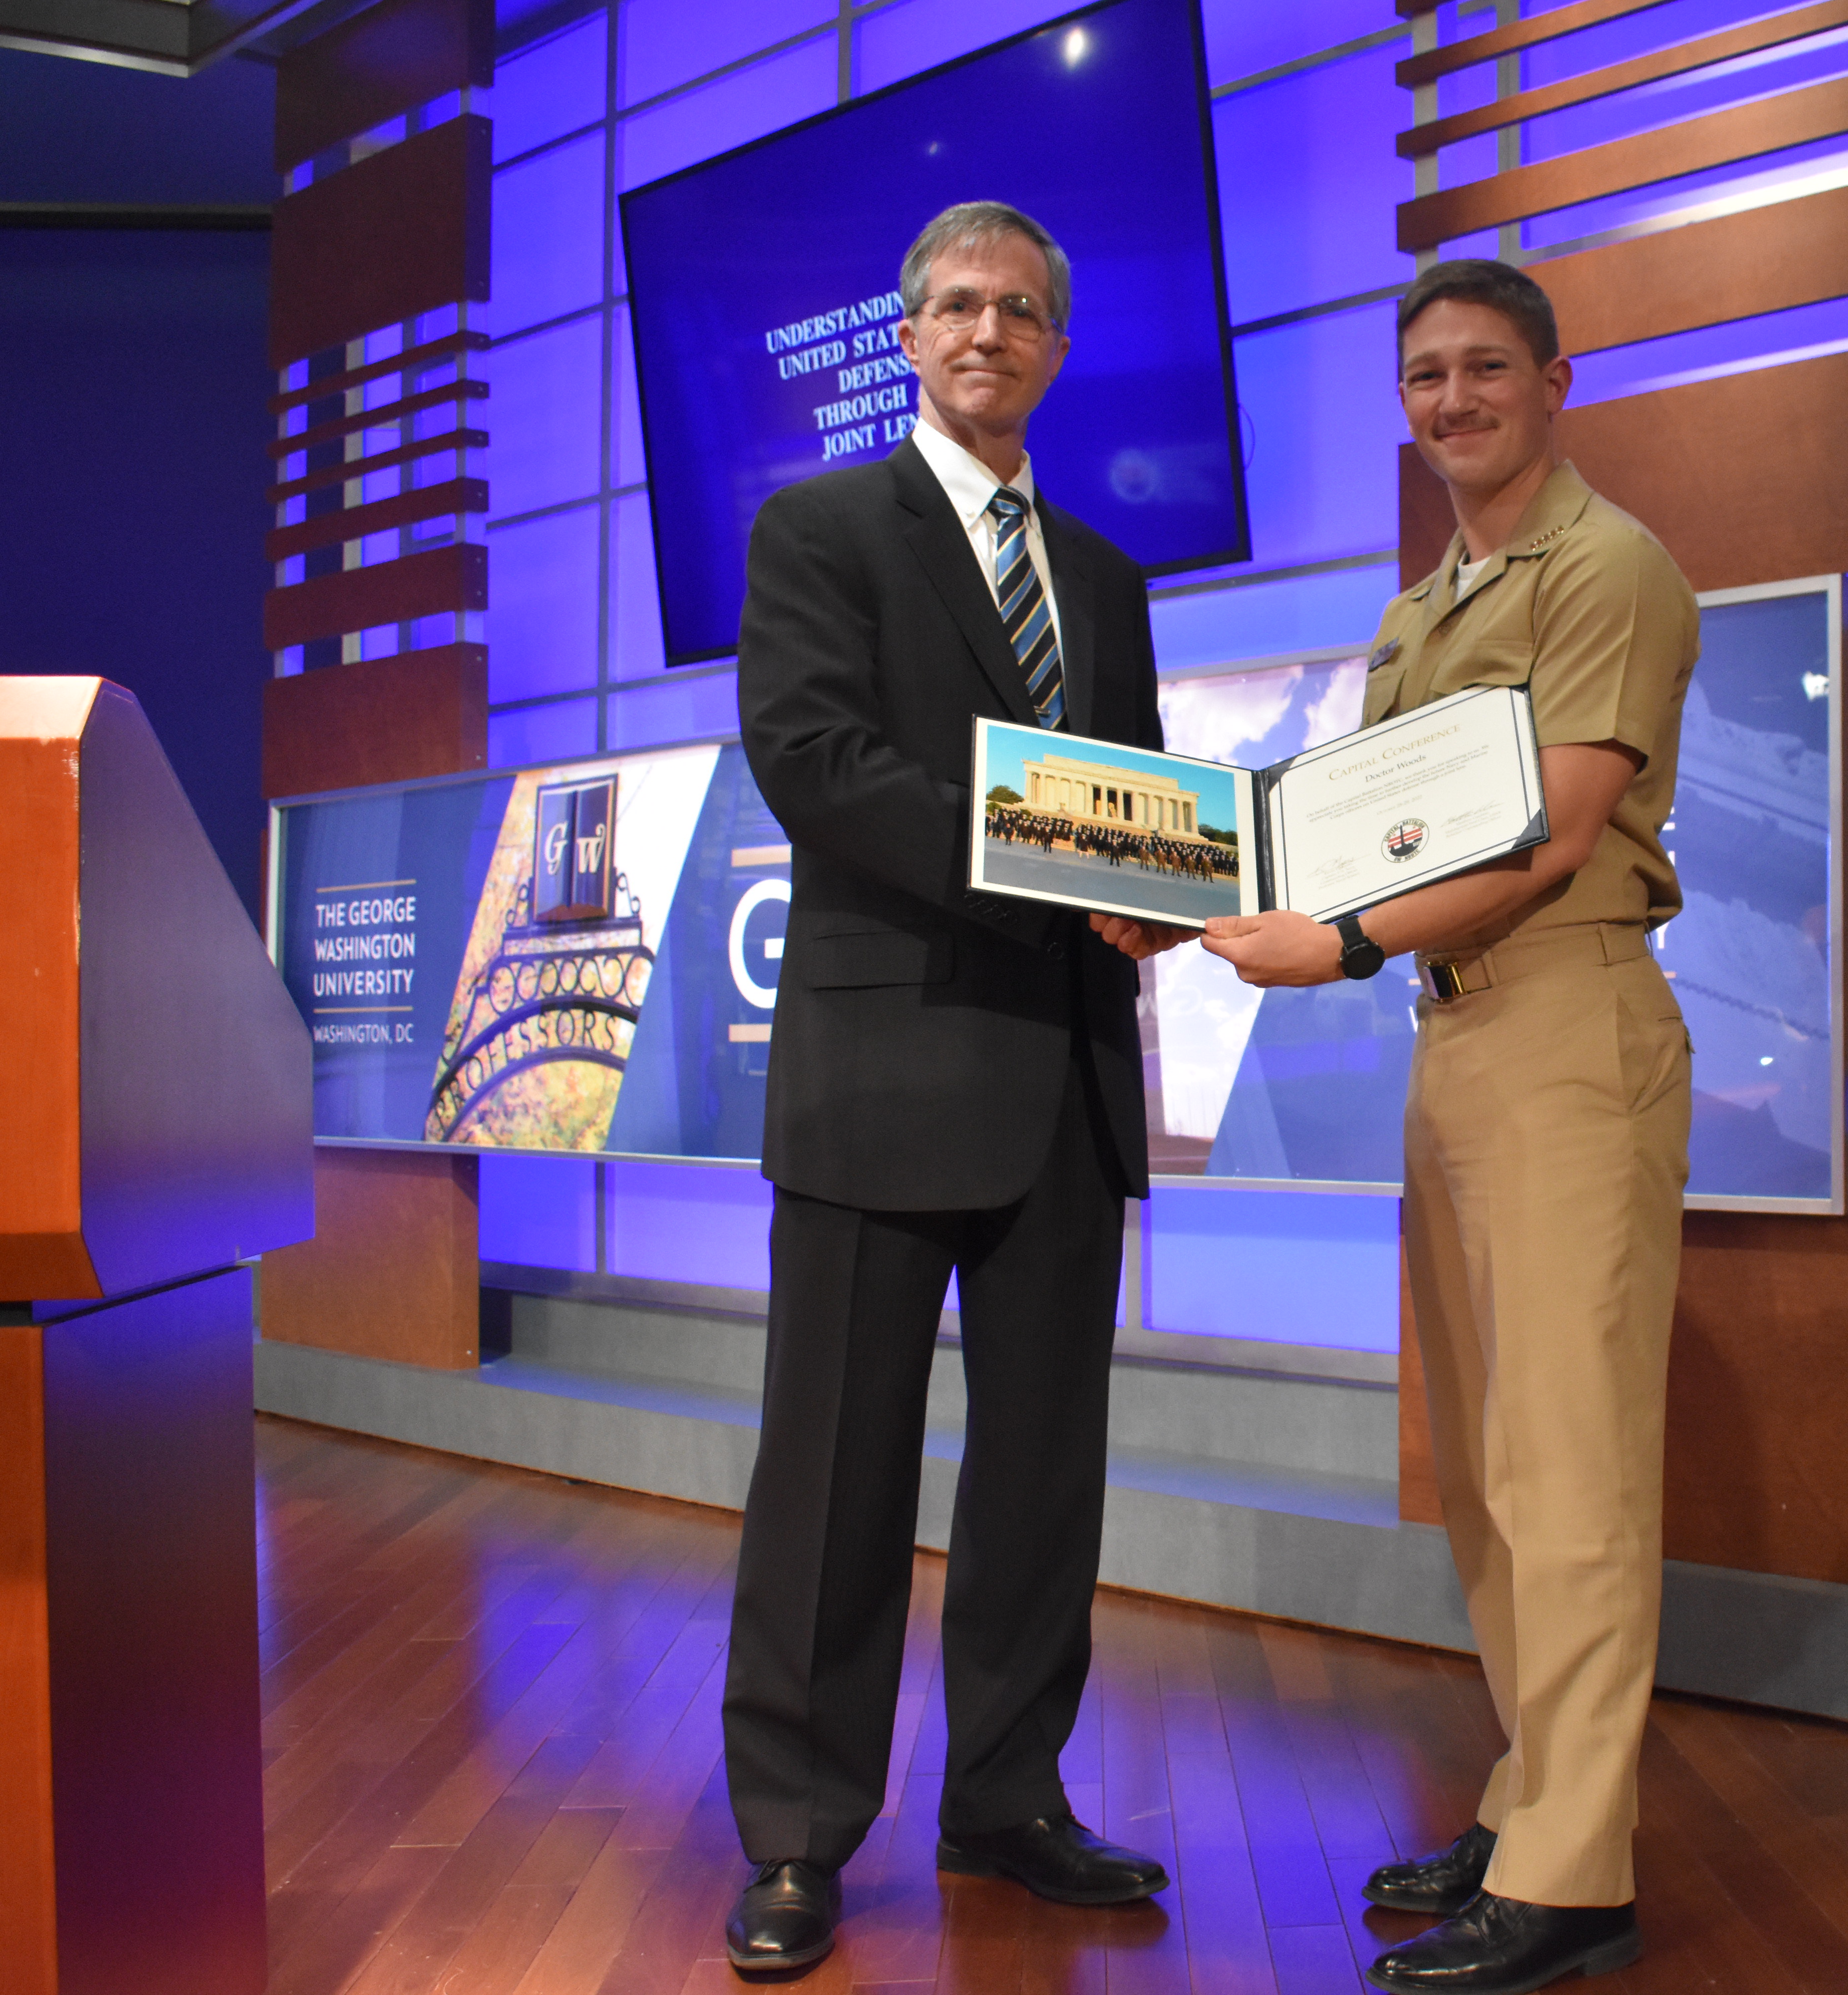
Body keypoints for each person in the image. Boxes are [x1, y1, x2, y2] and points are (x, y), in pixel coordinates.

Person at [1201, 259, 1697, 1995]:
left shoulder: (1608, 568)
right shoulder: (1431, 602)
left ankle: (1578, 1874)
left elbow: (1553, 836)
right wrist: (1183, 883)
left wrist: (1330, 941)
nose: (1454, 398)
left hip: (1567, 1020)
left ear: (1558, 381)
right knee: (1492, 1473)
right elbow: (1356, 834)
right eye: (1426, 374)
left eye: (1489, 367)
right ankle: (1532, 1799)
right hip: (1460, 1036)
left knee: (1568, 1466)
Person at [723, 200, 1192, 1975]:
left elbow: (1139, 804)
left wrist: (1165, 894)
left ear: (1056, 348)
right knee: (831, 1477)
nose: (986, 331)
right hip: (883, 1069)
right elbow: (820, 769)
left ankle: (1007, 1796)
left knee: (1039, 1483)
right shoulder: (820, 528)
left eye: (1019, 311)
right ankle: (794, 1837)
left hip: (1067, 1080)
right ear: (908, 337)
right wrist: (1060, 873)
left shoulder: (1110, 575)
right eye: (954, 307)